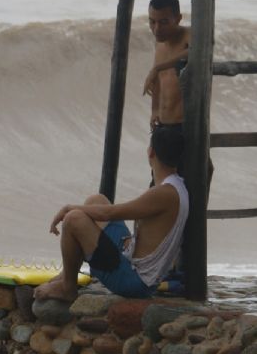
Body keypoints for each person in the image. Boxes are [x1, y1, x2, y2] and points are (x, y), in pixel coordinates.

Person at [34, 126, 189, 301]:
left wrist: (68, 208)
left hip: (135, 281)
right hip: (131, 258)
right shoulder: (175, 185)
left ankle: (68, 288)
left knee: (73, 219)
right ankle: (67, 274)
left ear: (151, 152)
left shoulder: (164, 193)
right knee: (97, 200)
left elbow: (109, 213)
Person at [143, 0, 190, 132]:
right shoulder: (159, 45)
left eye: (164, 22)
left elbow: (195, 52)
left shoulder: (188, 35)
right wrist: (154, 110)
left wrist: (157, 68)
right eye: (152, 22)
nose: (156, 29)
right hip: (161, 124)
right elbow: (157, 83)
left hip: (183, 127)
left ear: (178, 19)